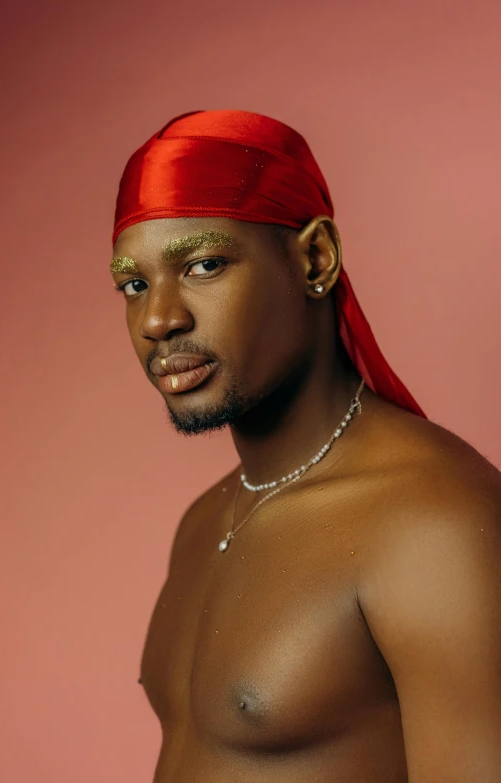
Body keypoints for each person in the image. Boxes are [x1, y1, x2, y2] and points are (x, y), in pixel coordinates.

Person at [110, 110, 501, 782]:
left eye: (203, 264)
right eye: (135, 284)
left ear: (315, 258)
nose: (158, 318)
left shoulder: (436, 522)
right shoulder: (205, 520)